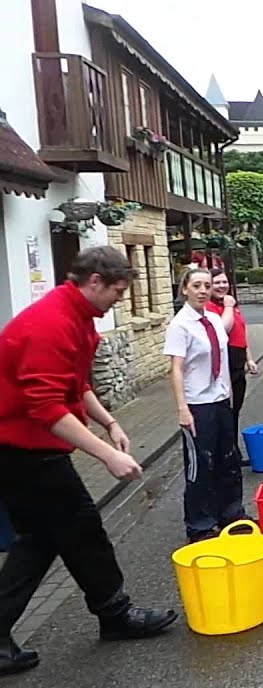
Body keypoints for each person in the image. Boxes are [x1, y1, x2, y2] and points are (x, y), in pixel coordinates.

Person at [0, 247, 177, 676]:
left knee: (42, 540)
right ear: (95, 281)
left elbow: (75, 385)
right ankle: (116, 614)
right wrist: (107, 455)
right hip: (21, 449)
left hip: (27, 446)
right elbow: (45, 406)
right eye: (117, 291)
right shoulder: (50, 323)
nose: (119, 300)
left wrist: (110, 424)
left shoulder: (78, 317)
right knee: (81, 529)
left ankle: (107, 614)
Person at [164, 268, 247, 543]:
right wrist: (182, 408)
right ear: (185, 289)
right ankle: (200, 525)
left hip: (220, 400)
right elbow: (176, 369)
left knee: (228, 459)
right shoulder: (180, 325)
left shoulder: (213, 320)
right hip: (197, 404)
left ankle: (231, 514)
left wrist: (228, 394)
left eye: (207, 286)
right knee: (201, 465)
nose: (202, 291)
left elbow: (222, 358)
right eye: (196, 285)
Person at [207, 269, 258, 467]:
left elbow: (241, 333)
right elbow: (223, 329)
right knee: (227, 411)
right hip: (225, 362)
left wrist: (249, 359)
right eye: (217, 283)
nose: (222, 286)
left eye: (224, 282)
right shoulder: (211, 307)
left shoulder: (231, 306)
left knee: (235, 409)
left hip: (237, 362)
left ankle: (232, 452)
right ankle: (227, 456)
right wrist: (228, 306)